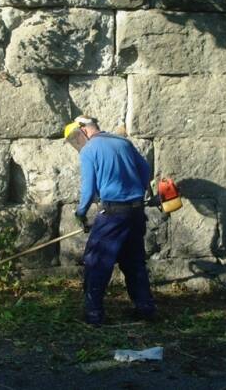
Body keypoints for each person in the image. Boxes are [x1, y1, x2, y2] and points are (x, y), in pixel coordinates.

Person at [63, 115, 156, 326]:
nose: (77, 145)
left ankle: (94, 314)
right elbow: (145, 170)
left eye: (75, 140)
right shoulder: (123, 142)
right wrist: (135, 192)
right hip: (136, 212)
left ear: (83, 131)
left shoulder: (89, 150)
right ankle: (145, 308)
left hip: (114, 214)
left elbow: (88, 189)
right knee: (133, 261)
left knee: (96, 260)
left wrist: (80, 213)